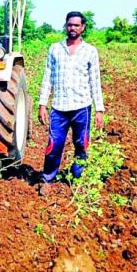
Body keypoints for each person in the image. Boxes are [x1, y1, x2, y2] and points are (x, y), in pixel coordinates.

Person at [38, 11, 105, 193]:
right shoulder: (55, 48)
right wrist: (42, 104)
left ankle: (77, 178)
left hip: (81, 107)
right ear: (65, 26)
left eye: (76, 25)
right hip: (59, 107)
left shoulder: (90, 51)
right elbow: (47, 77)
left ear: (83, 27)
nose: (72, 28)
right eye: (69, 24)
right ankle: (48, 179)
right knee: (54, 145)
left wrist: (99, 109)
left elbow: (95, 80)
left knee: (81, 144)